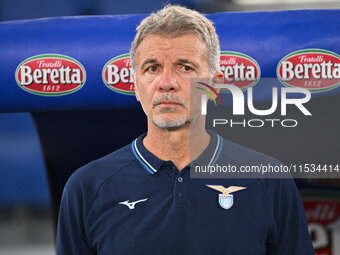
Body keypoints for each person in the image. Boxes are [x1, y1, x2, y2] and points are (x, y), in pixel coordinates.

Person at [56, 5, 314, 255]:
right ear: (135, 85)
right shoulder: (86, 188)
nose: (166, 83)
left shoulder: (269, 181)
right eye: (152, 68)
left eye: (185, 67)